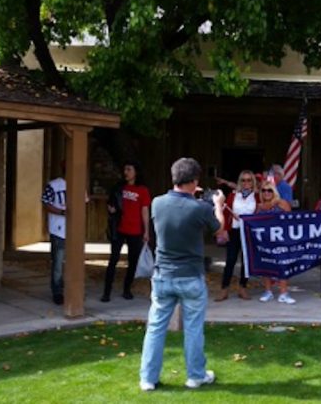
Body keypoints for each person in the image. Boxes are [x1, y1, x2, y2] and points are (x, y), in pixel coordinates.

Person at [139, 157, 226, 391]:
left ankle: (148, 378)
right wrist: (217, 204)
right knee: (193, 328)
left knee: (155, 328)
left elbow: (177, 212)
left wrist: (194, 198)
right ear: (194, 180)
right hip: (190, 277)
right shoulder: (201, 208)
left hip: (163, 276)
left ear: (174, 177)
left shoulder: (157, 203)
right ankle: (195, 376)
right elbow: (220, 229)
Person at [101, 161, 151, 302]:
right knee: (113, 260)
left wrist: (146, 231)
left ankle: (127, 289)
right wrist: (111, 210)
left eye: (129, 169)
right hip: (119, 229)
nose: (126, 172)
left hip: (135, 230)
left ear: (136, 172)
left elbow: (145, 211)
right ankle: (106, 292)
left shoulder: (142, 190)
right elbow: (111, 203)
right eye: (125, 169)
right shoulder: (119, 187)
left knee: (133, 262)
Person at [214, 170, 258, 302]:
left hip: (248, 232)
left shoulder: (257, 197)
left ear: (253, 182)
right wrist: (225, 230)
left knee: (246, 261)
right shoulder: (234, 195)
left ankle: (242, 287)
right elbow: (226, 214)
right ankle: (224, 289)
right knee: (230, 260)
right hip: (234, 231)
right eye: (243, 180)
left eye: (249, 180)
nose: (246, 183)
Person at [255, 181, 296, 304]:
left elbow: (290, 218)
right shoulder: (259, 206)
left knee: (283, 265)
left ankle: (284, 293)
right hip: (265, 241)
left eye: (269, 190)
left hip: (281, 240)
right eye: (264, 190)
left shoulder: (282, 203)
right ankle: (268, 291)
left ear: (274, 192)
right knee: (266, 265)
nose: (266, 193)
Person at [41, 167, 67, 305]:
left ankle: (67, 288)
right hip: (58, 229)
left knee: (70, 262)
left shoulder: (79, 184)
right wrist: (62, 212)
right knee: (57, 262)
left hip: (73, 230)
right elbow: (46, 202)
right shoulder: (54, 185)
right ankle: (57, 291)